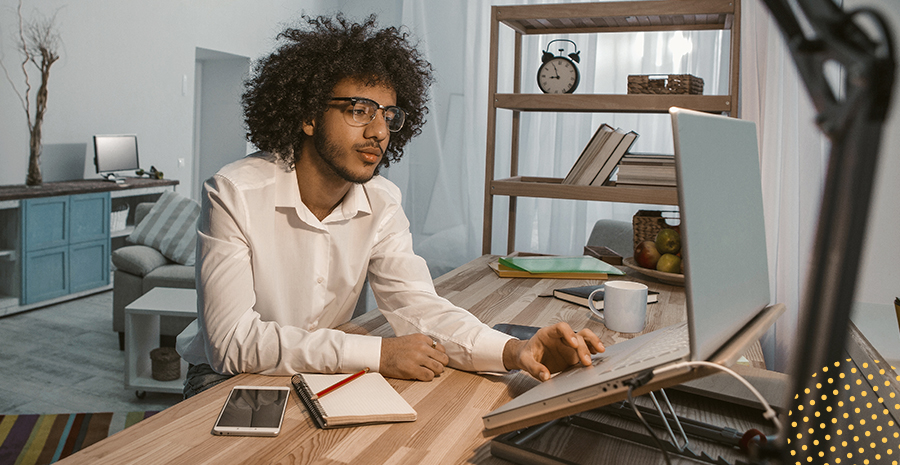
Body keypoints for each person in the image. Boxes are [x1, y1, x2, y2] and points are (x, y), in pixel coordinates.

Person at [176, 14, 604, 399]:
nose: (380, 131)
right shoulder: (234, 192)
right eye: (358, 110)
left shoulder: (381, 200)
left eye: (389, 115)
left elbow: (416, 305)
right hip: (225, 377)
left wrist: (515, 350)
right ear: (307, 116)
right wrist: (378, 352)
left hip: (326, 372)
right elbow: (231, 341)